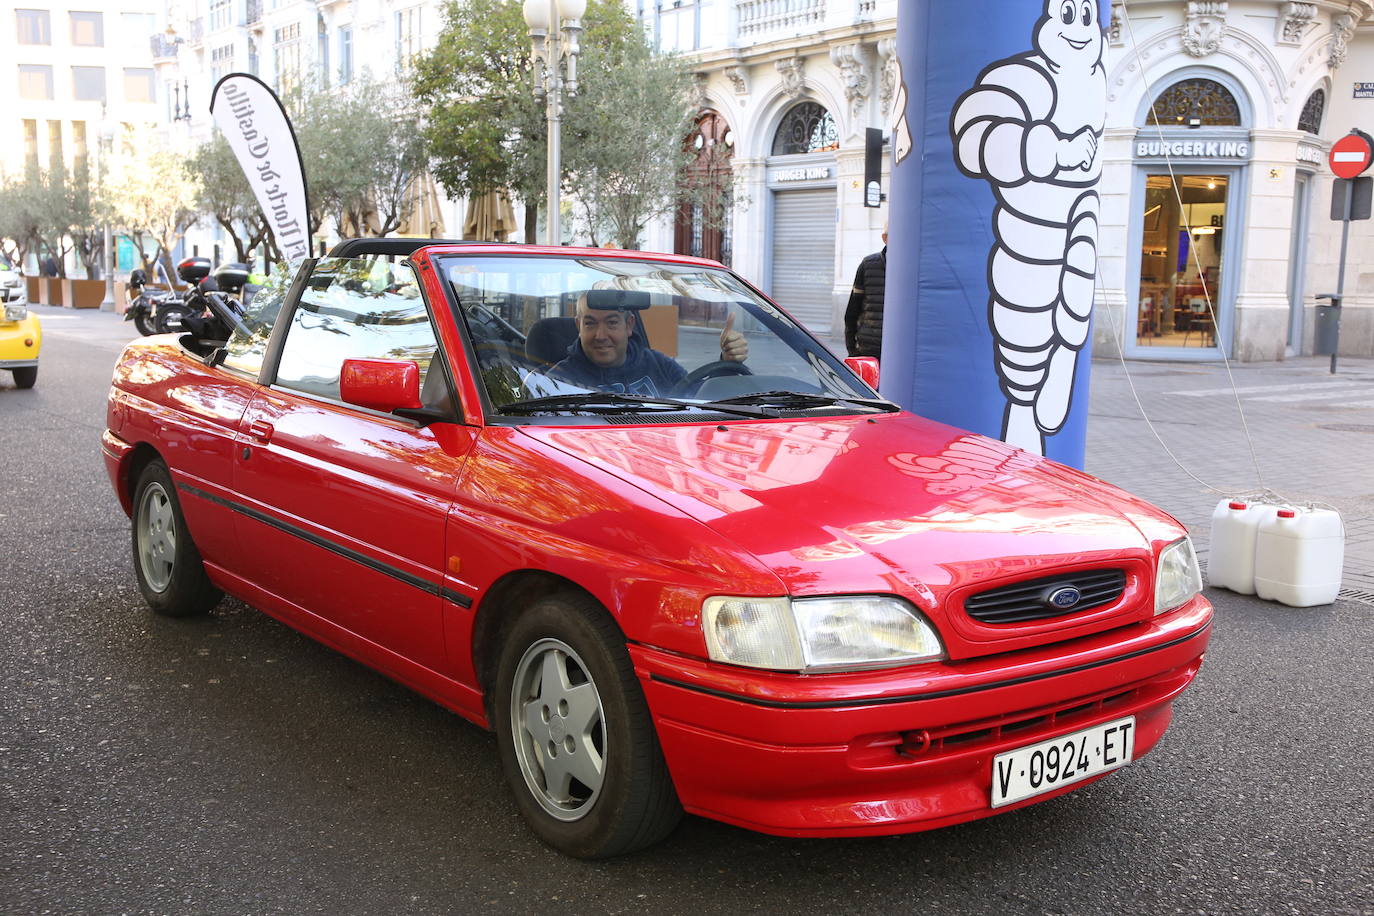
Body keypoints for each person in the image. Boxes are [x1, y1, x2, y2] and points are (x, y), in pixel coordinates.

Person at [549, 290, 748, 397]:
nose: (600, 335)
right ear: (578, 326)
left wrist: (726, 362)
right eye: (590, 323)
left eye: (612, 323)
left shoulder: (658, 364)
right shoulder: (556, 380)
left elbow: (700, 398)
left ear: (629, 325)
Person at [844, 224, 887, 360]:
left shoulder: (916, 266)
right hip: (869, 351)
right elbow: (852, 311)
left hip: (901, 353)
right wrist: (852, 351)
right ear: (885, 238)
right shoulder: (868, 264)